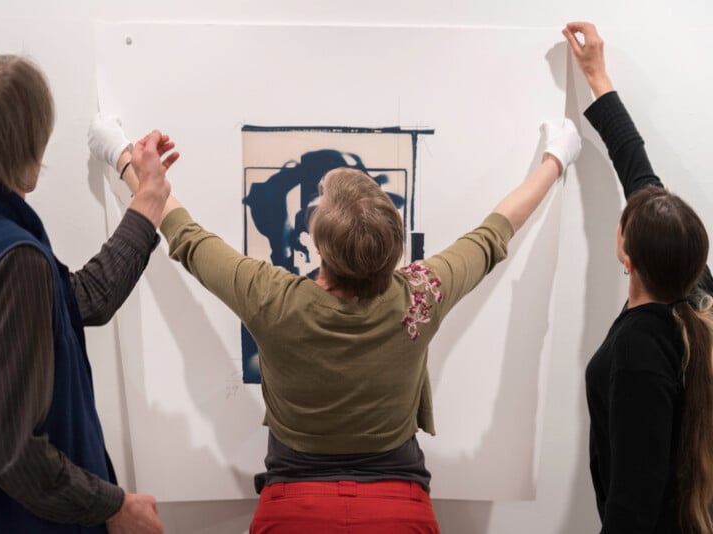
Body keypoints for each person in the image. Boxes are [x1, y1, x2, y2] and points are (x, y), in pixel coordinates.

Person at [89, 114, 580, 532]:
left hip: (292, 511)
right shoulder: (422, 295)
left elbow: (184, 234)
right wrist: (555, 159)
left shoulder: (272, 298)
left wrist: (123, 157)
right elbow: (497, 229)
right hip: (400, 512)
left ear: (318, 247)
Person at [0, 50, 178, 533]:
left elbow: (77, 301)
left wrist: (146, 204)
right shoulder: (12, 258)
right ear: (28, 147)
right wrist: (114, 506)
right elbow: (11, 455)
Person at [564, 22, 713, 533]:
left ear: (626, 253)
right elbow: (639, 172)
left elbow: (632, 505)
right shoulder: (698, 296)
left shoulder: (638, 353)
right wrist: (598, 77)